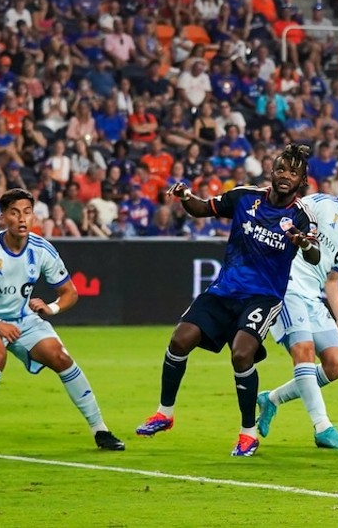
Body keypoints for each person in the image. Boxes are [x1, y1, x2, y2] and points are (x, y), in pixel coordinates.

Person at [135, 144, 320, 457]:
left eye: (293, 172)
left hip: (263, 296)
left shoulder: (302, 217)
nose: (285, 176)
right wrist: (184, 197)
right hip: (225, 289)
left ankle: (248, 433)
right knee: (180, 340)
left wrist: (303, 244)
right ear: (272, 173)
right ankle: (164, 413)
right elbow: (202, 208)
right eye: (281, 169)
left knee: (241, 354)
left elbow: (314, 256)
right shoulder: (245, 196)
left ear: (302, 180)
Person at [0, 188, 125, 454]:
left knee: (61, 358)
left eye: (27, 212)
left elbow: (70, 292)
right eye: (14, 213)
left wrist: (51, 307)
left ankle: (101, 430)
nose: (22, 219)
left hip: (22, 318)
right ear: (3, 217)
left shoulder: (42, 249)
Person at [256, 159, 338, 450]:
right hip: (285, 286)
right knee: (305, 352)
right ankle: (323, 427)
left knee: (336, 364)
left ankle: (271, 399)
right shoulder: (320, 204)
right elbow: (284, 211)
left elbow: (332, 281)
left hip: (313, 296)